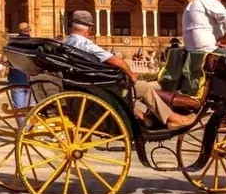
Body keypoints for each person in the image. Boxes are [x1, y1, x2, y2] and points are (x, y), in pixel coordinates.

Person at [63, 10, 195, 129]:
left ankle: (145, 118)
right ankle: (173, 118)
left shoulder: (65, 43)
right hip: (100, 88)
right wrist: (131, 74)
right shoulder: (85, 44)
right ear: (90, 29)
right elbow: (116, 61)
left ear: (71, 26)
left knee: (129, 91)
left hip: (83, 85)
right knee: (144, 88)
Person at [5, 22, 33, 108]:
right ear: (29, 30)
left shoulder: (12, 43)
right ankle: (28, 122)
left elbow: (4, 59)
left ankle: (24, 122)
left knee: (19, 110)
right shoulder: (34, 43)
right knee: (31, 109)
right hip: (32, 80)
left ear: (18, 31)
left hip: (17, 79)